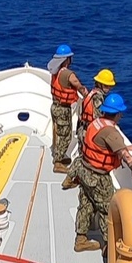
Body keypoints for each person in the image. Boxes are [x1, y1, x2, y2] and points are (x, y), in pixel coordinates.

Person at [73, 93, 132, 252]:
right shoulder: (112, 133)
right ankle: (110, 247)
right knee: (107, 211)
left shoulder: (95, 122)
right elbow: (126, 157)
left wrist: (123, 146)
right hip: (98, 177)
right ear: (118, 114)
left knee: (86, 205)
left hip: (84, 170)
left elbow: (104, 145)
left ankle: (81, 239)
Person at [48, 44, 88, 174]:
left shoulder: (55, 72)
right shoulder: (67, 74)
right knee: (65, 136)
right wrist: (84, 91)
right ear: (66, 59)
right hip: (63, 109)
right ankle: (58, 163)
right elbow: (76, 84)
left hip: (54, 106)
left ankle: (58, 155)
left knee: (59, 133)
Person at [77, 68, 116, 146]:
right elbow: (98, 117)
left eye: (110, 86)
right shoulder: (98, 97)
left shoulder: (92, 92)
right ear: (99, 84)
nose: (108, 89)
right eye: (106, 86)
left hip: (83, 128)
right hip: (88, 131)